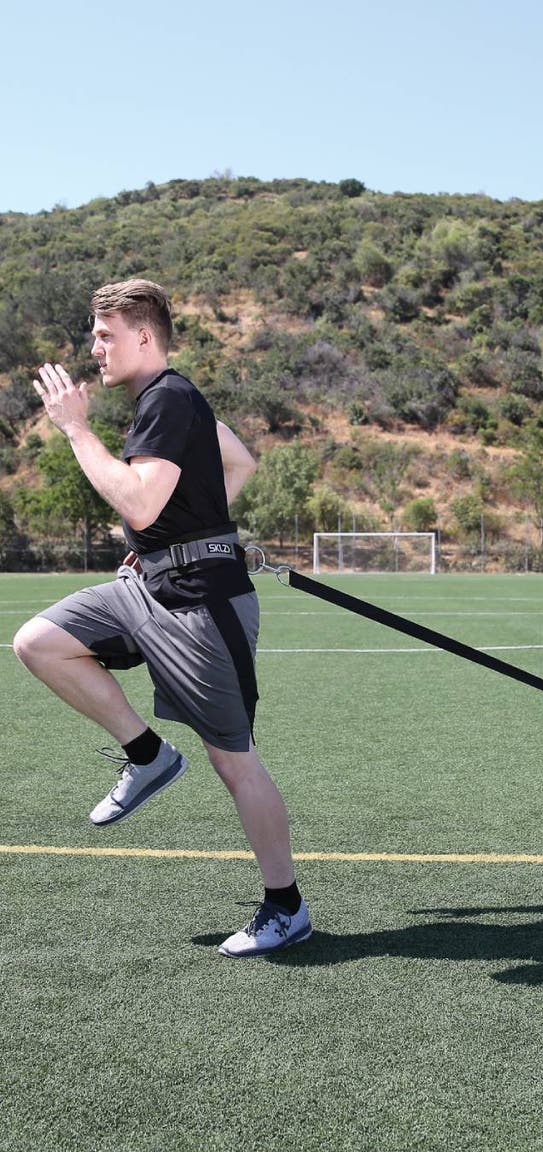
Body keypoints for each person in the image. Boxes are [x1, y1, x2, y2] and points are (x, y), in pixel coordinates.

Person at [13, 278, 310, 958]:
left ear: (144, 336)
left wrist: (76, 428)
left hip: (203, 607)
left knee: (235, 761)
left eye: (105, 335)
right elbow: (237, 462)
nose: (95, 348)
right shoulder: (168, 402)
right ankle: (147, 755)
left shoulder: (169, 398)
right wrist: (175, 537)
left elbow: (141, 503)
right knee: (39, 642)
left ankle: (286, 906)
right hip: (151, 585)